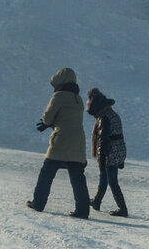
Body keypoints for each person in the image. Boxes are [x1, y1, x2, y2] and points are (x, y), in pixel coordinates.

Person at [27, 67, 90, 218]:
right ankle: (83, 210)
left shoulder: (59, 95)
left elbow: (48, 117)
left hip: (61, 140)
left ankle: (38, 203)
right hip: (78, 141)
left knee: (46, 174)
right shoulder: (78, 98)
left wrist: (46, 123)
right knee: (78, 178)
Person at [86, 87, 128, 217]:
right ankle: (97, 201)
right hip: (117, 151)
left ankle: (122, 208)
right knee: (104, 178)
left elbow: (104, 139)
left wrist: (102, 157)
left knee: (112, 181)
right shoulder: (112, 114)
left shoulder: (104, 118)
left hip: (110, 152)